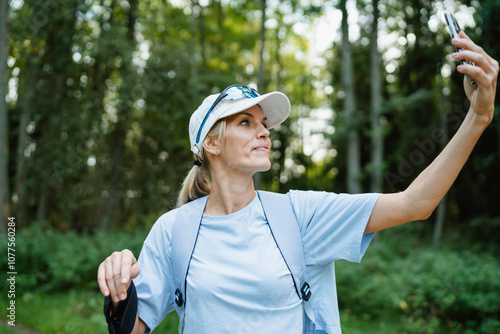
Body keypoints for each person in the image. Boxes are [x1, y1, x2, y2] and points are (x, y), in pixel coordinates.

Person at [97, 31, 498, 334]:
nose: (265, 133)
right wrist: (119, 294)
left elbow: (415, 203)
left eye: (264, 124)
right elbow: (133, 328)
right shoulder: (174, 230)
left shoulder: (299, 214)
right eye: (245, 122)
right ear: (211, 144)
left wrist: (477, 118)